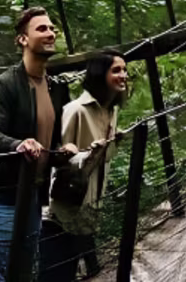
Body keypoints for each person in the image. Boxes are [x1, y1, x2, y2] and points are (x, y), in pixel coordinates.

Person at [0, 7, 72, 281]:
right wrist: (19, 143)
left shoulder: (56, 87)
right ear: (22, 40)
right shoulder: (3, 85)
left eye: (52, 28)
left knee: (25, 270)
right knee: (6, 272)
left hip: (32, 195)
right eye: (42, 29)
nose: (51, 33)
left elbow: (49, 142)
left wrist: (63, 152)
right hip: (2, 197)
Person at [39, 52, 130, 281]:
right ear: (101, 75)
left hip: (89, 206)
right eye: (116, 70)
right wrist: (88, 153)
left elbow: (104, 158)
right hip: (62, 209)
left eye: (125, 70)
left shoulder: (112, 110)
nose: (124, 75)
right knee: (56, 273)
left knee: (77, 270)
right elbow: (58, 158)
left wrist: (112, 144)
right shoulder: (76, 110)